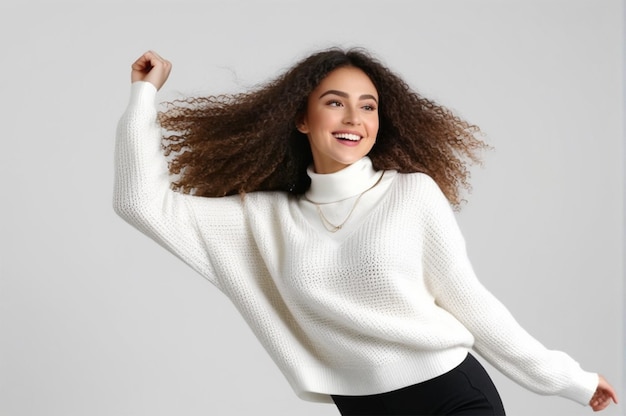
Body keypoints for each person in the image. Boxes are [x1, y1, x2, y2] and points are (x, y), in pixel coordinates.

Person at [113, 49, 618, 415]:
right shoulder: (262, 219)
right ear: (302, 119)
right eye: (334, 103)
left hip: (451, 395)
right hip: (363, 410)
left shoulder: (410, 194)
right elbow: (141, 204)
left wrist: (569, 381)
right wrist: (143, 96)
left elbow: (474, 306)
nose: (355, 117)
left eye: (369, 105)